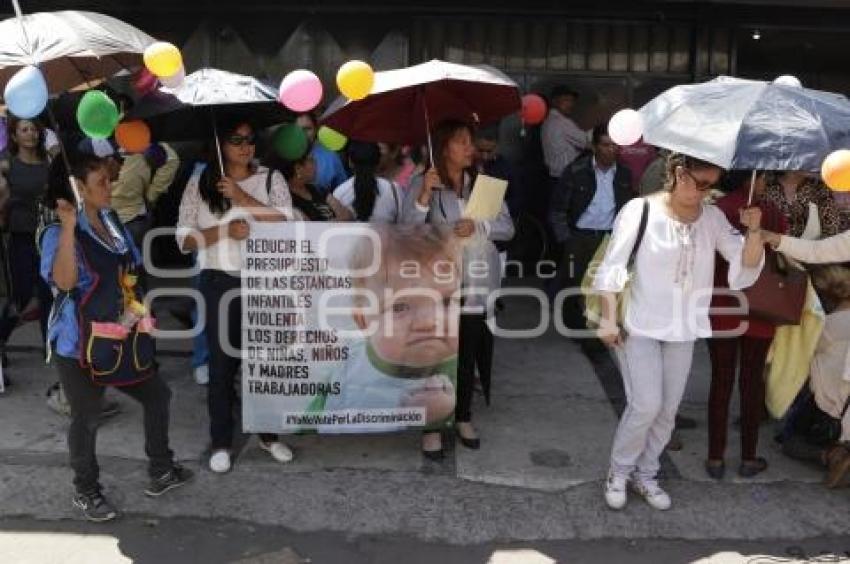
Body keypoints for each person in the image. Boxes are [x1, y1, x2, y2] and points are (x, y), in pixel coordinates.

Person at [593, 152, 764, 511]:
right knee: (645, 405)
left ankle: (647, 473)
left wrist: (754, 232)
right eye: (697, 182)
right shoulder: (640, 211)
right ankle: (619, 472)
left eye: (711, 184)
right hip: (641, 324)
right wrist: (608, 319)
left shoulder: (714, 218)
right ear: (676, 172)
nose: (703, 192)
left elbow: (744, 264)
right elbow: (611, 268)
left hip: (685, 328)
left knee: (668, 410)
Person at [40, 153, 193, 522]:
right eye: (101, 183)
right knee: (87, 416)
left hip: (122, 333)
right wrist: (68, 229)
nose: (112, 187)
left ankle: (161, 469)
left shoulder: (109, 218)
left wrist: (139, 310)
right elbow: (63, 283)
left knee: (158, 394)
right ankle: (86, 491)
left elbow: (132, 265)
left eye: (109, 179)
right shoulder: (54, 232)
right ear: (78, 189)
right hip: (78, 344)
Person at [176, 120, 295, 473]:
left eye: (250, 139)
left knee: (266, 361)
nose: (246, 147)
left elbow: (288, 222)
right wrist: (224, 230)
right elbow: (183, 237)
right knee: (222, 364)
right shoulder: (200, 183)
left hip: (266, 282)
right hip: (220, 281)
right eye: (236, 140)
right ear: (220, 146)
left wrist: (243, 198)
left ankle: (269, 435)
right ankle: (221, 440)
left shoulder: (272, 178)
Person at [403, 120, 515, 459]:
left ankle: (464, 416)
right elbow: (406, 230)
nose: (471, 147)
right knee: (436, 358)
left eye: (471, 141)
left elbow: (508, 228)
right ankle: (432, 426)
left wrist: (478, 224)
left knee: (467, 355)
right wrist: (423, 195)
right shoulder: (424, 184)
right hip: (438, 288)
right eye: (462, 142)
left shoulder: (485, 186)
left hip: (478, 283)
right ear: (443, 147)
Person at [319, 225, 460, 431]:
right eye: (400, 306)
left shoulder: (457, 369)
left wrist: (440, 413)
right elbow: (321, 410)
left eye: (446, 302)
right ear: (363, 321)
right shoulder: (349, 358)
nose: (429, 322)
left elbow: (464, 409)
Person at [706, 172, 788, 479]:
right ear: (758, 177)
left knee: (720, 381)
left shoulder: (716, 209)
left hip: (721, 307)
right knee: (752, 384)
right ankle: (748, 456)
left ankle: (715, 458)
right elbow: (782, 253)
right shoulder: (772, 211)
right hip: (760, 310)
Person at [549, 125, 633, 331]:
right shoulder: (576, 170)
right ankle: (571, 327)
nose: (611, 149)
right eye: (605, 145)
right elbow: (558, 208)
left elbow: (628, 207)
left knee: (605, 283)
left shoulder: (624, 174)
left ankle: (598, 324)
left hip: (609, 237)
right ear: (594, 146)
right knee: (573, 283)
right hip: (579, 236)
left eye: (615, 145)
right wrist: (566, 239)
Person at [0, 117, 53, 380]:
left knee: (48, 295)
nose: (30, 134)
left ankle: (50, 346)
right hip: (20, 238)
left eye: (33, 129)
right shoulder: (8, 165)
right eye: (24, 130)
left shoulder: (49, 163)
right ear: (15, 136)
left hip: (46, 236)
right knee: (19, 298)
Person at [111, 142, 180, 252]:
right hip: (111, 220)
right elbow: (171, 159)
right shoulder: (98, 143)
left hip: (132, 219)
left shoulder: (141, 143)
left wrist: (151, 195)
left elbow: (171, 160)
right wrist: (151, 195)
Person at [333, 141, 402, 223]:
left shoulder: (340, 193)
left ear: (350, 162)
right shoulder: (393, 190)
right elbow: (401, 221)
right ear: (377, 160)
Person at [762, 171, 845, 238]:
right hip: (766, 250)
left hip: (804, 252)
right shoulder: (765, 184)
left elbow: (832, 228)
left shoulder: (817, 186)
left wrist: (813, 253)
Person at [272, 151, 349, 221]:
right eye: (311, 160)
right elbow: (310, 227)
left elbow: (347, 215)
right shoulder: (287, 198)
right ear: (298, 169)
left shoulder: (317, 188)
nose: (316, 163)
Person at [474, 125, 524, 219]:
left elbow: (517, 201)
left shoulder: (507, 168)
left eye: (489, 151)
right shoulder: (467, 165)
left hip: (498, 219)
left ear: (498, 147)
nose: (484, 156)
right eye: (480, 151)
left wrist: (499, 207)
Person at [541, 86, 586, 181]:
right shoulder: (561, 122)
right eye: (566, 100)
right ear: (554, 101)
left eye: (572, 100)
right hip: (565, 176)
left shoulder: (548, 120)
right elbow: (587, 142)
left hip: (553, 175)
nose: (570, 104)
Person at [296, 113, 348, 194]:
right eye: (298, 130)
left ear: (316, 129)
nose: (303, 134)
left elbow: (344, 190)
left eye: (307, 129)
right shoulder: (285, 157)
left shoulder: (331, 156)